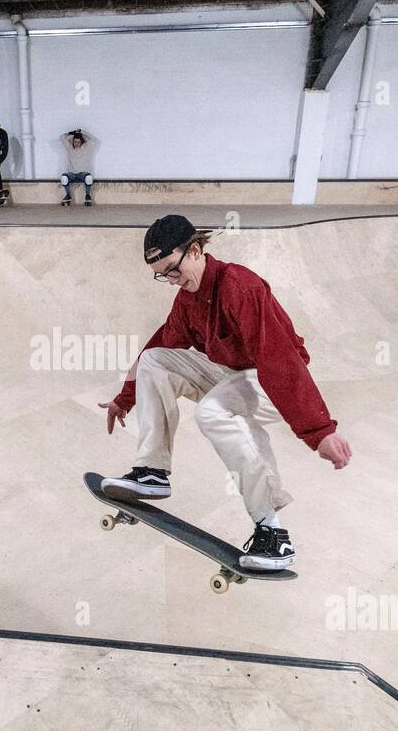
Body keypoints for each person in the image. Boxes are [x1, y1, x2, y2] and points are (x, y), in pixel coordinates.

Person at [98, 215, 352, 571]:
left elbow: (278, 359)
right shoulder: (187, 299)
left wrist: (319, 431)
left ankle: (272, 533)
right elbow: (161, 344)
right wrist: (124, 399)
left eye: (173, 270)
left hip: (268, 376)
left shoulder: (240, 288)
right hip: (229, 374)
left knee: (214, 413)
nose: (172, 281)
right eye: (162, 275)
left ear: (197, 251)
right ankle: (152, 472)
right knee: (155, 360)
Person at [60, 129, 99, 205]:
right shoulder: (69, 148)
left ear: (81, 142)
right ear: (73, 141)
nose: (76, 144)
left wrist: (82, 132)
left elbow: (95, 140)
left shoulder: (85, 147)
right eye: (75, 142)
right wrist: (71, 133)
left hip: (82, 174)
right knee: (64, 178)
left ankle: (88, 196)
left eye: (78, 142)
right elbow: (61, 137)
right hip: (72, 174)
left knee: (89, 178)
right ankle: (68, 195)